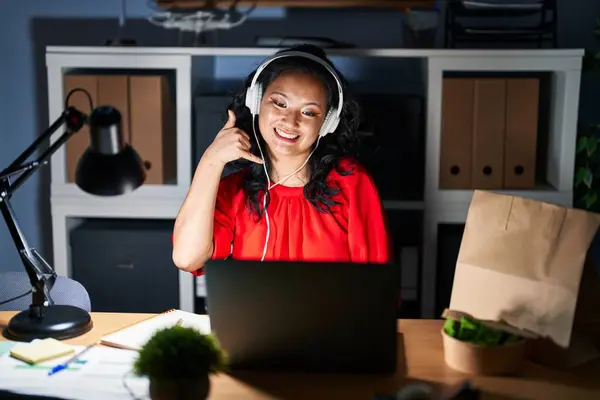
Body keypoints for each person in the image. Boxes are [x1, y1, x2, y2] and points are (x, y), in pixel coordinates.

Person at [172, 44, 392, 276]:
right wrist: (211, 161)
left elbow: (377, 287)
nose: (290, 121)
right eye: (279, 103)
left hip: (333, 314)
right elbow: (187, 258)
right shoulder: (234, 192)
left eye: (308, 112)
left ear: (327, 123)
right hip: (252, 313)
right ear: (256, 102)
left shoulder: (351, 182)